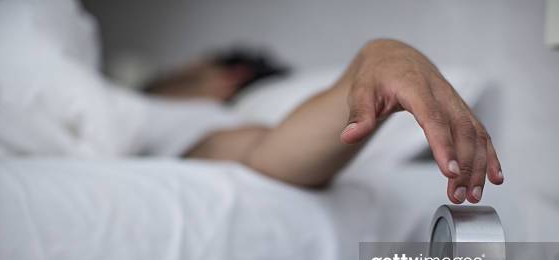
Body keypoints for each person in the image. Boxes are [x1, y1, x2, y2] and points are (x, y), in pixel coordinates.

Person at [178, 39, 504, 204]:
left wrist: (383, 53)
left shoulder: (214, 115)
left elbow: (268, 153)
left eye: (194, 67)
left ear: (230, 77)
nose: (181, 69)